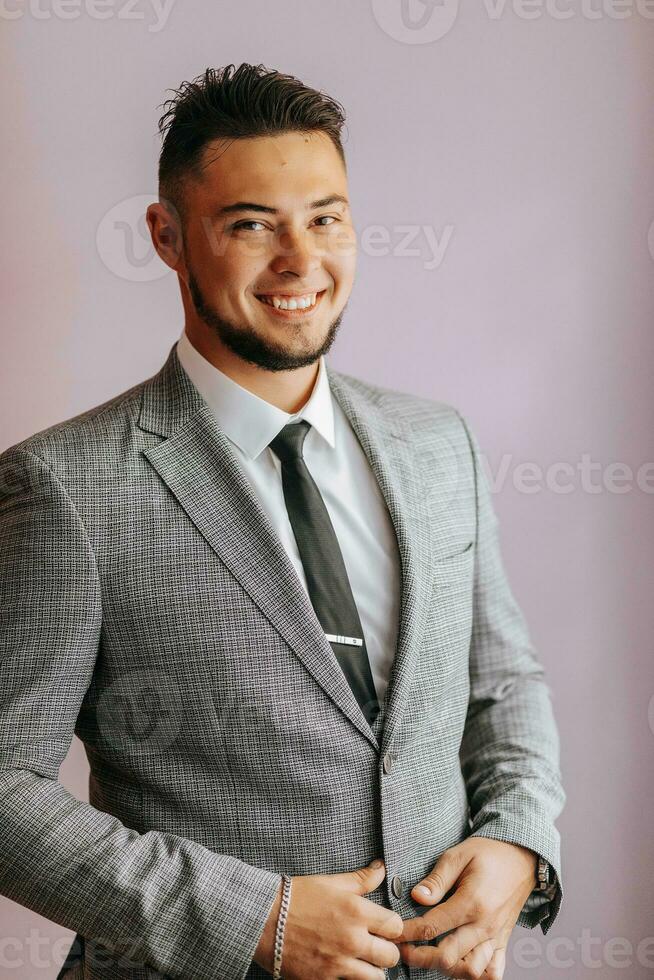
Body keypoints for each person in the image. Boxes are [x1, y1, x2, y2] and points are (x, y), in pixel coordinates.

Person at [0, 63, 564, 980]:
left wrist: (518, 841)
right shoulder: (65, 485)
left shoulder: (437, 442)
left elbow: (502, 680)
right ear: (169, 237)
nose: (301, 260)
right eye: (252, 223)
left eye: (326, 217)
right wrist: (251, 918)